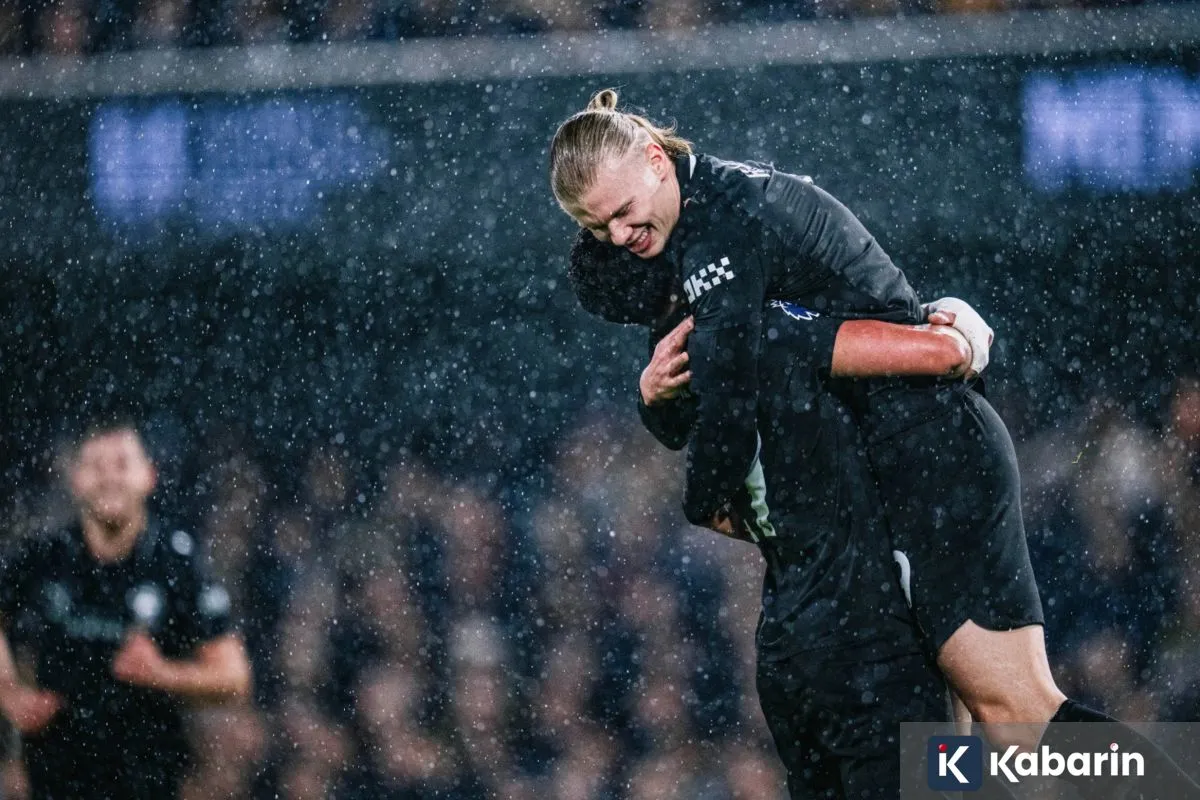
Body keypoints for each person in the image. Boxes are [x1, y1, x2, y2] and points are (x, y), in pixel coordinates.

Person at [551, 89, 1200, 798]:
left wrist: (702, 500)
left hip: (934, 457)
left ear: (656, 160)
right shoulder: (704, 225)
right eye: (597, 227)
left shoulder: (724, 229)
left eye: (622, 211)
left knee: (1016, 716)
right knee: (944, 753)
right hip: (897, 470)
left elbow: (737, 397)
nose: (618, 234)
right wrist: (657, 402)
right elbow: (722, 381)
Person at [0, 417, 253, 799]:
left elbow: (234, 678)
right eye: (96, 466)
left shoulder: (176, 563)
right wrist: (8, 692)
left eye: (121, 464)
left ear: (149, 475)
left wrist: (162, 673)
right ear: (76, 479)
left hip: (146, 780)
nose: (109, 478)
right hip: (55, 779)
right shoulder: (46, 556)